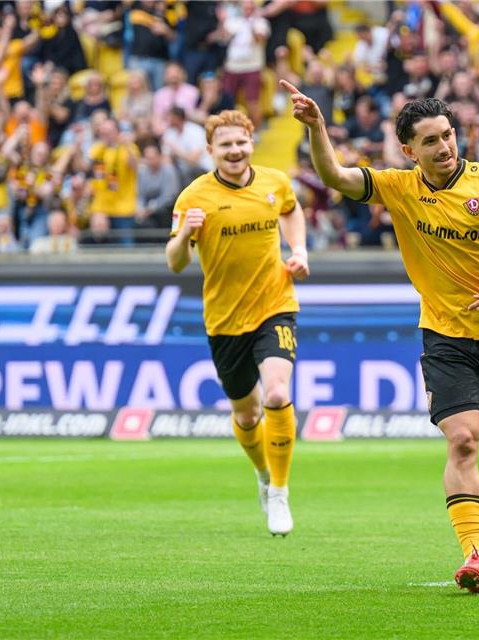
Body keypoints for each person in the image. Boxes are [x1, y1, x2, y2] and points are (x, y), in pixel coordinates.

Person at [282, 81, 479, 593]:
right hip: (445, 336)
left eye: (449, 135)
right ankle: (476, 555)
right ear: (409, 151)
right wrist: (318, 128)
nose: (445, 147)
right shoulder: (398, 186)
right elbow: (336, 177)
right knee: (461, 441)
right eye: (431, 141)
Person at [165, 110, 310, 537]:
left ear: (251, 143)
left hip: (275, 304)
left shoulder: (273, 182)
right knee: (246, 416)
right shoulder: (194, 197)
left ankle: (281, 492)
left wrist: (298, 249)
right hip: (225, 319)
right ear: (211, 151)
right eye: (225, 145)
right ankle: (264, 475)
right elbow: (175, 265)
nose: (235, 151)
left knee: (278, 392)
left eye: (241, 142)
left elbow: (291, 208)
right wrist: (181, 236)